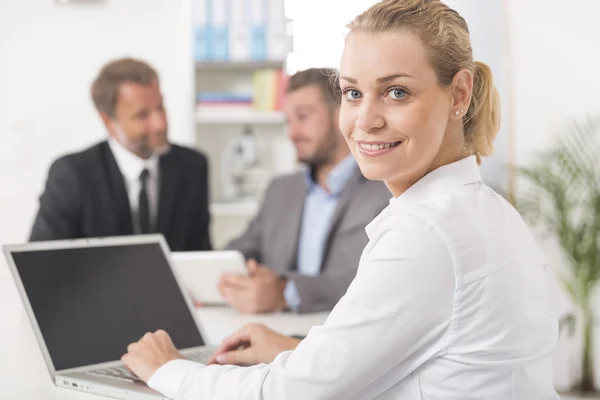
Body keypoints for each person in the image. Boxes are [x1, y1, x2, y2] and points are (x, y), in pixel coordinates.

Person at [121, 0, 559, 398]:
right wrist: (301, 349)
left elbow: (287, 394)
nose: (365, 120)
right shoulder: (488, 211)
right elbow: (423, 353)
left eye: (397, 92)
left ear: (458, 94)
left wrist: (167, 369)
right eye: (352, 93)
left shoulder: (426, 231)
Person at [220, 68, 390, 314]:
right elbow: (244, 248)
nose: (292, 133)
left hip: (345, 335)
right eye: (288, 121)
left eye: (303, 117)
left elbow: (374, 280)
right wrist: (221, 273)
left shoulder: (384, 189)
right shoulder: (281, 189)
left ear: (341, 115)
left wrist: (284, 292)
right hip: (275, 330)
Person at [29, 58, 212, 251]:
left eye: (160, 107)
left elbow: (200, 253)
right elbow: (41, 262)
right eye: (142, 115)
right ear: (108, 121)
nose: (160, 124)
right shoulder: (72, 174)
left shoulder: (192, 167)